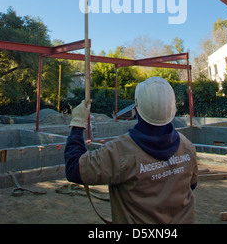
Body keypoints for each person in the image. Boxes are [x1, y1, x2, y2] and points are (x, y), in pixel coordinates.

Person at [64, 76, 198, 224]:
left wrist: (77, 124)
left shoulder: (120, 151)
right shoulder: (187, 147)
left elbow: (75, 168)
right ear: (173, 108)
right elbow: (191, 185)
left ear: (136, 108)